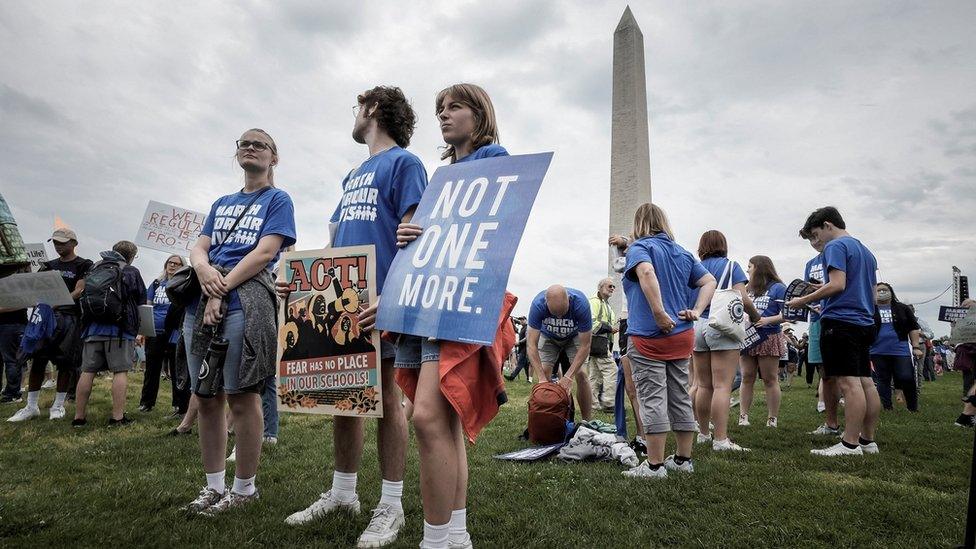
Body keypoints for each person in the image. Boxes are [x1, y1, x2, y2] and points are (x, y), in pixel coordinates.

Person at [282, 86, 425, 548]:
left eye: (357, 107)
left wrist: (392, 295)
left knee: (383, 396)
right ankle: (343, 493)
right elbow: (336, 243)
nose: (354, 115)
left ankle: (391, 503)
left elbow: (416, 234)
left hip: (379, 302)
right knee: (343, 397)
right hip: (341, 299)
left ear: (373, 109)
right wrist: (300, 284)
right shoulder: (353, 175)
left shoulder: (404, 163)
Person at [394, 82, 508, 549]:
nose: (443, 115)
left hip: (458, 300)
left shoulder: (493, 158)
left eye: (455, 106)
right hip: (428, 299)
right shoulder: (443, 175)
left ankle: (436, 540)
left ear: (479, 114)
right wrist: (410, 234)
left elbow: (488, 230)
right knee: (441, 421)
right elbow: (431, 238)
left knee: (425, 417)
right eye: (440, 108)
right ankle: (454, 535)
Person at [180, 128, 296, 515]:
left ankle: (244, 489)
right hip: (205, 295)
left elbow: (265, 252)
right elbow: (200, 246)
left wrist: (219, 289)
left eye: (258, 144)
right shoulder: (221, 202)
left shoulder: (278, 199)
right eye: (242, 144)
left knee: (243, 395)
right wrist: (201, 268)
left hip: (243, 298)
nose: (249, 148)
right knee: (206, 396)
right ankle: (213, 487)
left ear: (273, 157)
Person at [615, 203, 716, 479]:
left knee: (652, 397)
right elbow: (709, 281)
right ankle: (683, 459)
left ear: (639, 223)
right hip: (682, 334)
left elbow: (647, 273)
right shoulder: (682, 252)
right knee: (680, 395)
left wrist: (659, 312)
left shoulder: (640, 248)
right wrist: (696, 311)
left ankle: (655, 465)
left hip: (650, 335)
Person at [788, 206, 880, 456]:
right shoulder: (866, 250)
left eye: (816, 235)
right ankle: (867, 440)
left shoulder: (835, 247)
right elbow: (871, 294)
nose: (815, 243)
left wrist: (802, 301)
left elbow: (837, 285)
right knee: (866, 383)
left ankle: (849, 444)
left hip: (841, 322)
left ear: (828, 225)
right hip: (863, 321)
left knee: (849, 384)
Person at [8, 228, 93, 422]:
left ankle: (58, 406)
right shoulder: (47, 265)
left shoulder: (84, 265)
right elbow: (35, 288)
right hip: (45, 317)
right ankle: (31, 406)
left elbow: (79, 290)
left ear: (73, 243)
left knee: (65, 363)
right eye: (55, 242)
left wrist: (58, 301)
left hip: (69, 317)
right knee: (38, 359)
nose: (58, 246)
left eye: (62, 242)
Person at [690, 230, 759, 452]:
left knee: (702, 384)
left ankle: (703, 433)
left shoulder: (693, 266)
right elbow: (743, 298)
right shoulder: (731, 266)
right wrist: (757, 317)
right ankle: (721, 439)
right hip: (722, 326)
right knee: (722, 385)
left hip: (698, 324)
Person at [71, 241, 147, 426]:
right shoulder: (130, 270)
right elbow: (141, 300)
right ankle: (117, 417)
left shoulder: (94, 267)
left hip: (91, 328)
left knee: (87, 371)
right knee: (120, 372)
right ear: (131, 256)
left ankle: (79, 418)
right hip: (119, 330)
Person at [526, 286, 594, 419]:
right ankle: (547, 417)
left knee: (581, 374)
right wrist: (541, 378)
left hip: (574, 336)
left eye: (563, 313)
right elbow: (531, 345)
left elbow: (585, 345)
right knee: (544, 373)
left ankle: (587, 421)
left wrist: (568, 376)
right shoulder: (537, 305)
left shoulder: (581, 304)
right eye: (555, 314)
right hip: (548, 336)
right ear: (546, 303)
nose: (559, 317)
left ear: (569, 300)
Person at [738, 256, 787, 428]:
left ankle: (772, 418)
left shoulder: (778, 288)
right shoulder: (746, 288)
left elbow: (787, 314)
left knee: (770, 378)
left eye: (750, 266)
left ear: (759, 267)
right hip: (748, 336)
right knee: (747, 377)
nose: (747, 270)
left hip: (769, 336)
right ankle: (743, 416)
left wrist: (767, 320)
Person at [140, 255, 186, 413]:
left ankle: (178, 404)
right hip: (155, 331)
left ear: (182, 267)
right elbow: (148, 307)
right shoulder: (156, 283)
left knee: (176, 369)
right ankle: (147, 402)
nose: (172, 266)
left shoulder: (183, 285)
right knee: (152, 368)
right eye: (170, 263)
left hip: (174, 332)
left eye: (177, 264)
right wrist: (143, 331)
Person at [870, 282, 922, 412]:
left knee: (906, 377)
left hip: (900, 350)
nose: (882, 292)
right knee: (883, 379)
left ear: (891, 292)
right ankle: (887, 407)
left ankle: (912, 407)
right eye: (879, 290)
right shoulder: (870, 309)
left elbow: (914, 328)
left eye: (884, 290)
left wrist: (915, 346)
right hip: (877, 350)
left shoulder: (902, 308)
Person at [588, 278, 618, 411]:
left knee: (594, 376)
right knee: (612, 371)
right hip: (599, 343)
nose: (612, 288)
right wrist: (610, 328)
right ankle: (609, 402)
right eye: (610, 286)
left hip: (598, 343)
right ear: (600, 287)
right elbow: (592, 323)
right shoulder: (595, 302)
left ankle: (592, 403)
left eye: (614, 287)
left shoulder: (605, 304)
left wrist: (612, 328)